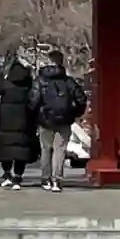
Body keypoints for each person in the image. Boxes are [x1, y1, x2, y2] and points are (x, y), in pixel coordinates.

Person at [35, 48, 88, 193]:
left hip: (45, 119)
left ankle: (45, 178)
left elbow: (33, 100)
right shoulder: (69, 82)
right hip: (64, 119)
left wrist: (36, 116)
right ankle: (56, 180)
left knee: (46, 149)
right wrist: (74, 114)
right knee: (60, 149)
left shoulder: (41, 81)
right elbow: (81, 99)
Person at [0, 53, 40, 189]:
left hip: (6, 122)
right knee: (21, 150)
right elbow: (34, 103)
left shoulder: (4, 85)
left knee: (6, 149)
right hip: (24, 122)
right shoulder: (29, 87)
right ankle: (18, 176)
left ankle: (7, 173)